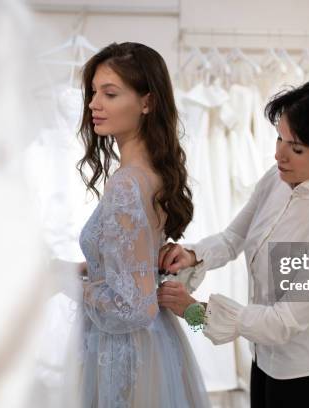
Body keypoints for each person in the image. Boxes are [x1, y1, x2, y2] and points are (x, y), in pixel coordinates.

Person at [157, 81, 309, 408]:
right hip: (262, 354)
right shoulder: (277, 179)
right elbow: (234, 237)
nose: (278, 154)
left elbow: (284, 322)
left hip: (304, 369)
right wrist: (193, 255)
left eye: (295, 148)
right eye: (279, 138)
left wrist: (195, 312)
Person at [77, 42, 210, 408]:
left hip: (126, 351)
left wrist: (72, 287)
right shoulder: (152, 174)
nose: (94, 104)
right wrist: (86, 269)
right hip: (153, 344)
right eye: (93, 93)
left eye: (110, 93)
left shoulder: (126, 184)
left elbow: (132, 308)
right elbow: (134, 262)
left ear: (146, 103)